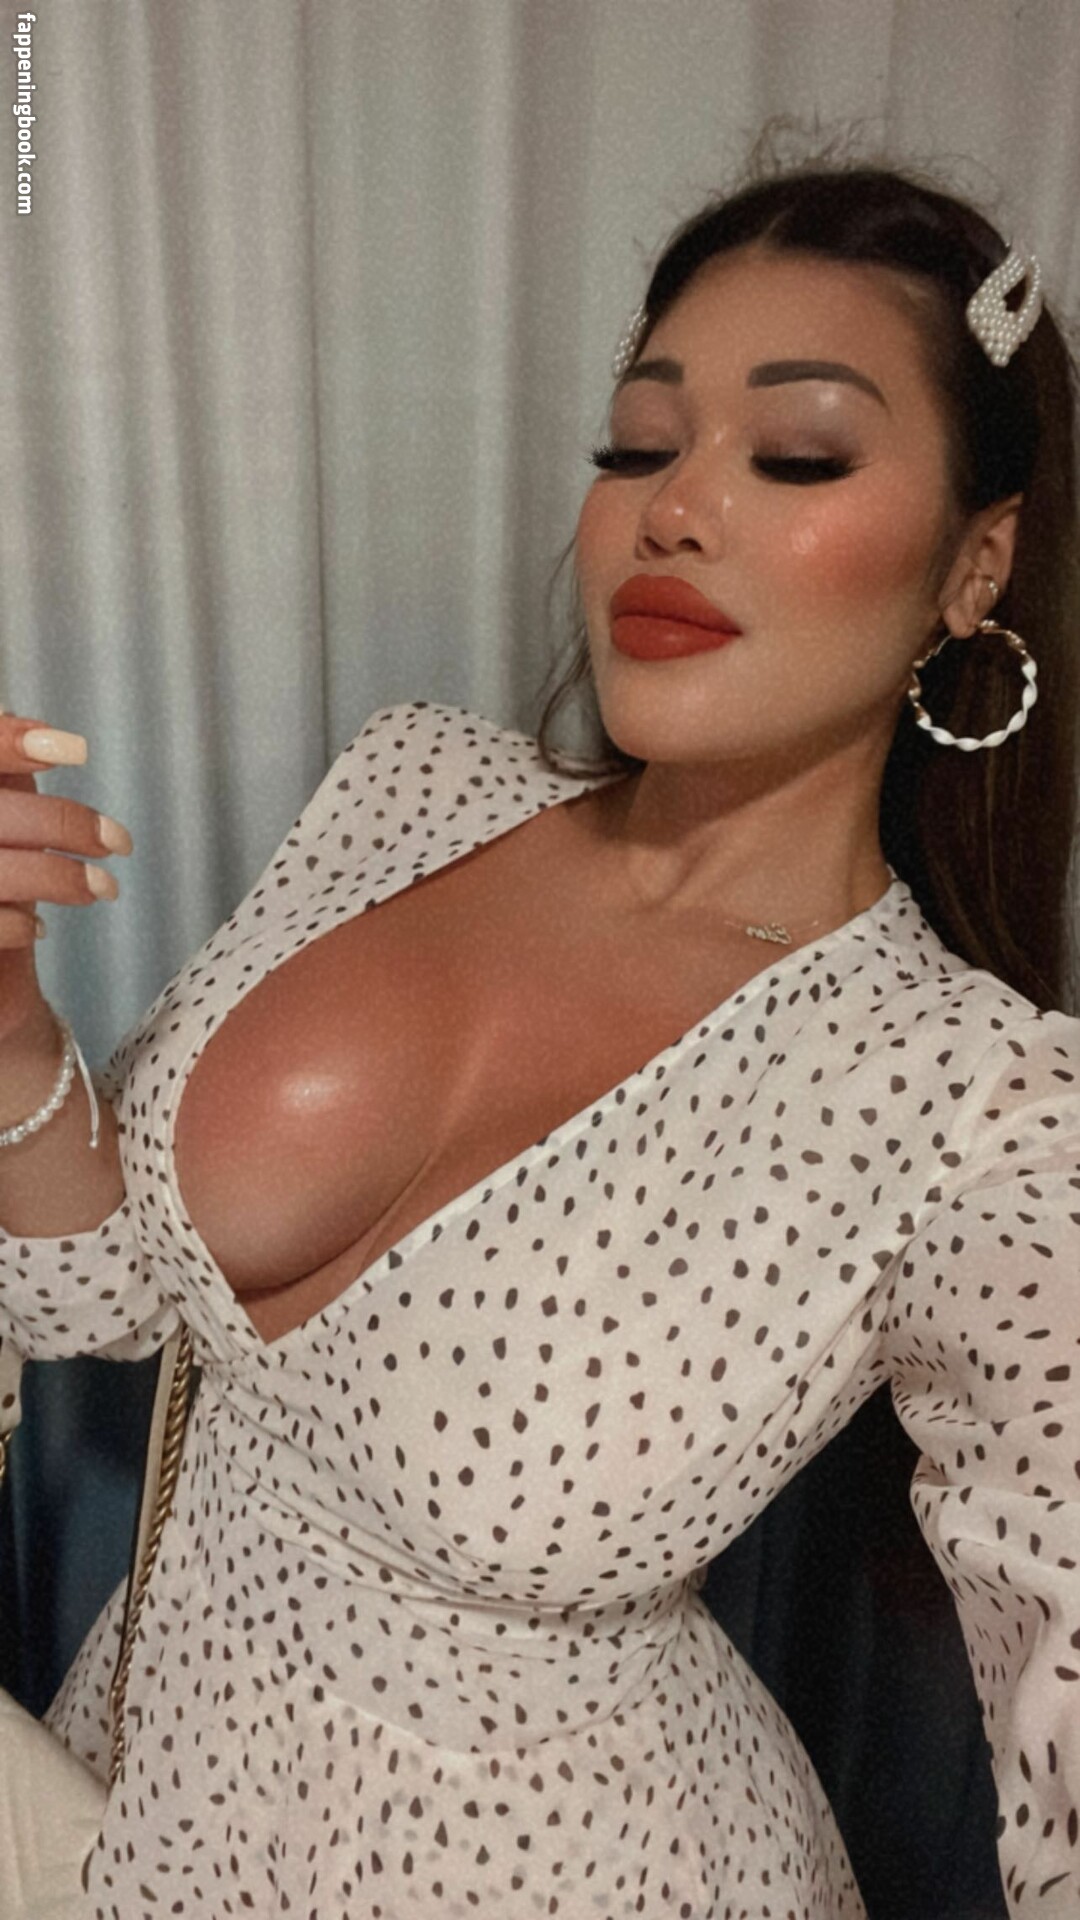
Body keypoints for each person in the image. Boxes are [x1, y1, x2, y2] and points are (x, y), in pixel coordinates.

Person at [1, 155, 1078, 1920]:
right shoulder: (412, 788)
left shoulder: (978, 1105)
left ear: (978, 563)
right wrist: (3, 1009)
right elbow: (92, 1292)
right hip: (149, 1790)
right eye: (638, 445)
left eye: (798, 454)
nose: (677, 508)